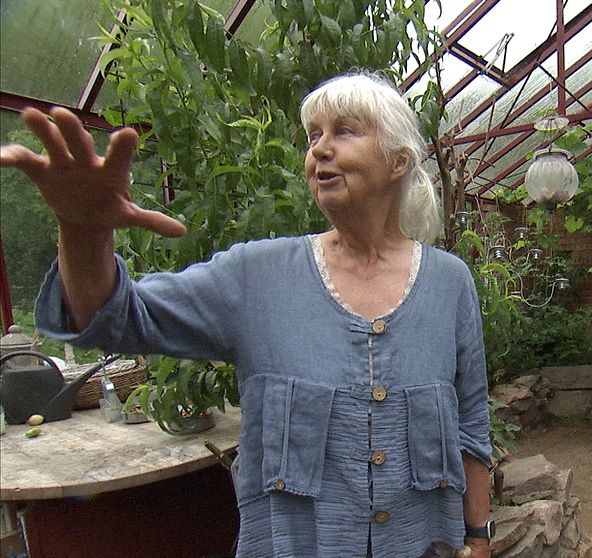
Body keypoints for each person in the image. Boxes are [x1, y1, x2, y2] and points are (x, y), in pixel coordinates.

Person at [1, 73, 493, 558]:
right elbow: (113, 316)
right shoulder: (255, 276)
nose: (320, 149)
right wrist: (83, 231)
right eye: (313, 136)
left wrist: (478, 537)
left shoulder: (449, 283)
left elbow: (471, 426)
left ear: (398, 162)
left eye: (344, 131)